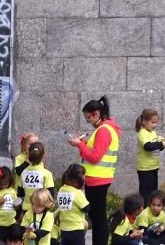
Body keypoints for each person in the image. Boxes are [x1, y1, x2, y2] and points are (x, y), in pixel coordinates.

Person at [67, 97, 120, 245]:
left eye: (88, 117)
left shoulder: (103, 130)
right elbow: (97, 152)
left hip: (98, 179)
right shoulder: (106, 128)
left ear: (96, 113)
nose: (87, 121)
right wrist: (83, 143)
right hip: (99, 178)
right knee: (97, 217)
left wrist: (79, 145)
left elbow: (95, 157)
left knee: (98, 218)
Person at [134, 109, 164, 203]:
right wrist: (161, 144)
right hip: (145, 168)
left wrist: (161, 145)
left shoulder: (153, 133)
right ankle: (144, 210)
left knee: (153, 192)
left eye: (156, 122)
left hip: (153, 166)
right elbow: (148, 146)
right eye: (152, 122)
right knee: (146, 192)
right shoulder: (142, 133)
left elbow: (155, 147)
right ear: (144, 121)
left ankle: (152, 209)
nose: (155, 125)